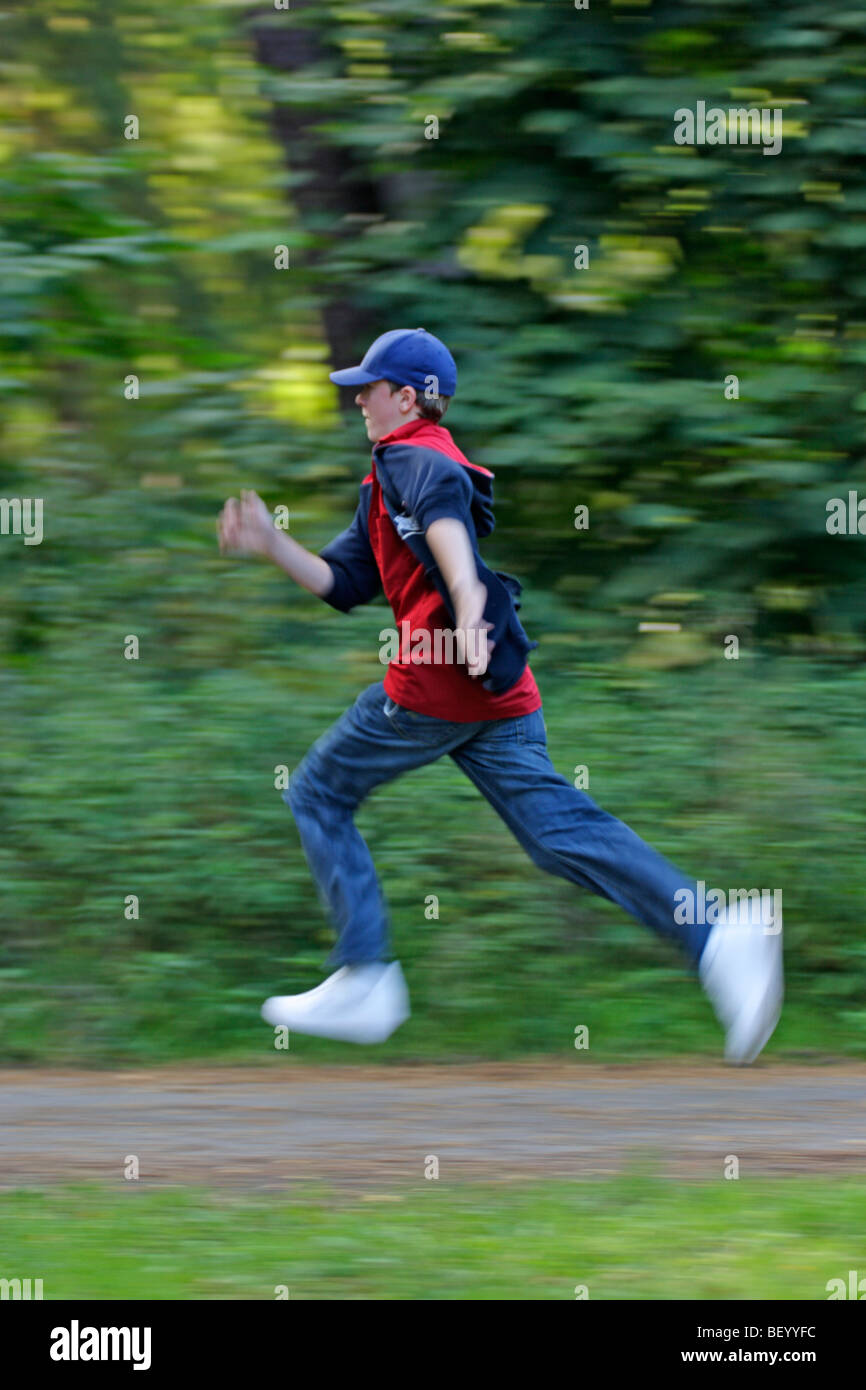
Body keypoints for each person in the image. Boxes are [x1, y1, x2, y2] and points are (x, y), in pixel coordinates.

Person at [217, 328, 783, 1063]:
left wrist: (469, 608)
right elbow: (345, 584)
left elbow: (450, 530)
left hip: (439, 679)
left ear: (409, 397)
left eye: (371, 387)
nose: (359, 398)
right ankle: (716, 936)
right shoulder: (385, 481)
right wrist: (271, 544)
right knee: (557, 834)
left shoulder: (414, 456)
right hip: (496, 688)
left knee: (317, 793)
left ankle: (365, 974)